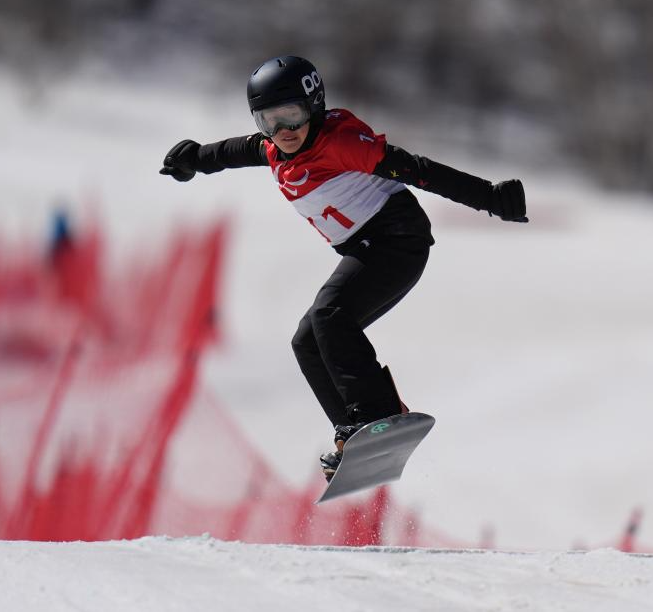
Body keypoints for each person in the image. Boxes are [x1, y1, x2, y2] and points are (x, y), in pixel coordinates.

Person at [160, 55, 527, 480]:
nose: (283, 131)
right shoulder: (276, 147)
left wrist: (489, 198)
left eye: (292, 116)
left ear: (314, 106)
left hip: (397, 240)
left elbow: (419, 170)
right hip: (370, 246)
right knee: (307, 342)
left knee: (329, 315)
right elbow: (238, 150)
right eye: (269, 121)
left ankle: (377, 417)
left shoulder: (342, 143)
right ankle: (354, 435)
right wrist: (197, 158)